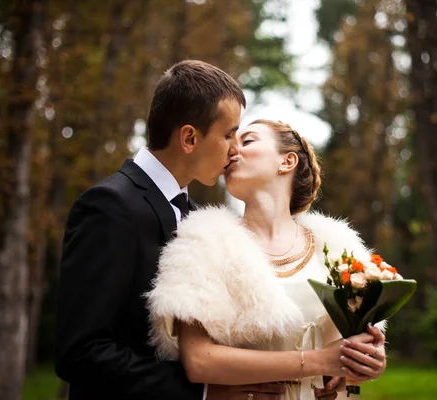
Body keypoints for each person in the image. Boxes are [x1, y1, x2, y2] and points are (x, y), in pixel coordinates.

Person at [55, 60, 285, 399]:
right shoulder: (109, 207)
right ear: (189, 138)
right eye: (227, 134)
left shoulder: (195, 218)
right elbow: (82, 352)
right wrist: (202, 394)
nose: (235, 149)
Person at [146, 119, 387, 400]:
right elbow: (199, 361)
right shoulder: (203, 241)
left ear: (287, 161)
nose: (232, 149)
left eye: (247, 141)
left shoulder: (338, 250)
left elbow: (350, 356)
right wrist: (320, 360)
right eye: (231, 140)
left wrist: (368, 361)